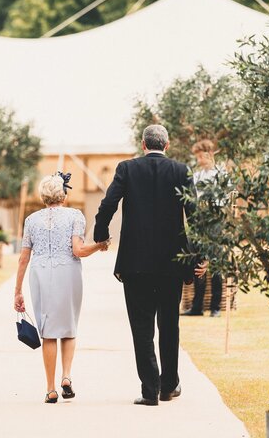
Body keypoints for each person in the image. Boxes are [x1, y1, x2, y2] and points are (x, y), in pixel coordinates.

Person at [93, 124, 207, 405]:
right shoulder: (181, 170)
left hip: (135, 262)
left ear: (143, 144)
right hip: (172, 262)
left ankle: (149, 390)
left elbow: (108, 204)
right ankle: (168, 386)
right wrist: (201, 255)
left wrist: (101, 234)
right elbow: (195, 215)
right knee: (170, 324)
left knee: (141, 327)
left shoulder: (127, 168)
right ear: (166, 145)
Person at [13, 172, 108, 404]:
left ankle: (50, 388)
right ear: (63, 195)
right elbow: (78, 250)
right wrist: (100, 245)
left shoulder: (31, 220)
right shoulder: (75, 216)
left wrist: (17, 290)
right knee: (68, 327)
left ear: (43, 196)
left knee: (48, 332)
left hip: (40, 274)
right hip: (68, 273)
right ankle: (66, 375)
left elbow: (23, 258)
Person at [184, 139, 223, 318]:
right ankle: (196, 307)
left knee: (214, 264)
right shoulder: (196, 176)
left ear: (210, 154)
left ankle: (215, 307)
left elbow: (224, 202)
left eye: (201, 156)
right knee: (198, 263)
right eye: (197, 157)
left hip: (215, 223)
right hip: (198, 224)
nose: (199, 160)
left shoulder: (221, 174)